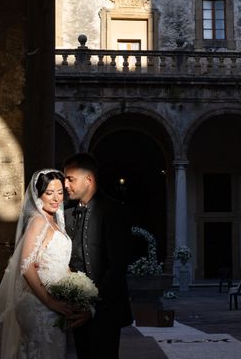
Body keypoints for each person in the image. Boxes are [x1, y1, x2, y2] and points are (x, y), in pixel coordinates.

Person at [0, 169, 76, 358]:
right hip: (40, 304)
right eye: (49, 193)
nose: (56, 198)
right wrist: (50, 301)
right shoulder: (38, 221)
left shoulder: (54, 222)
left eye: (59, 192)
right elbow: (25, 265)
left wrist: (76, 285)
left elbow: (56, 261)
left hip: (53, 301)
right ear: (38, 195)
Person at [63, 153, 133, 359]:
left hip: (107, 311)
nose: (65, 184)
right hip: (77, 310)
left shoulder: (115, 211)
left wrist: (92, 307)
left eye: (71, 179)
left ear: (89, 179)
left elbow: (118, 265)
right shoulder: (67, 214)